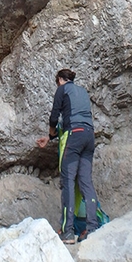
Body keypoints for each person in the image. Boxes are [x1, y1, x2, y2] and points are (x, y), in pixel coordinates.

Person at [37, 68, 99, 244]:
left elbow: (54, 117)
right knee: (86, 182)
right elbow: (76, 116)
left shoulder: (62, 90)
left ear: (59, 80)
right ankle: (92, 228)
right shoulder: (83, 92)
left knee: (68, 182)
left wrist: (50, 132)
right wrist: (50, 138)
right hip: (89, 136)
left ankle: (68, 232)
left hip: (74, 137)